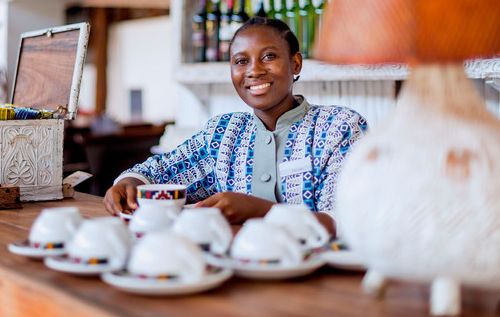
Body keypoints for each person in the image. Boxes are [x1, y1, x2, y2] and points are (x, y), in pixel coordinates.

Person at [103, 17, 368, 235]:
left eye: (268, 56)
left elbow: (349, 221)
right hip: (231, 275)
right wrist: (128, 183)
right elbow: (155, 173)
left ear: (295, 63)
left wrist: (261, 211)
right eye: (241, 61)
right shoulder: (222, 133)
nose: (253, 71)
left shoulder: (339, 127)